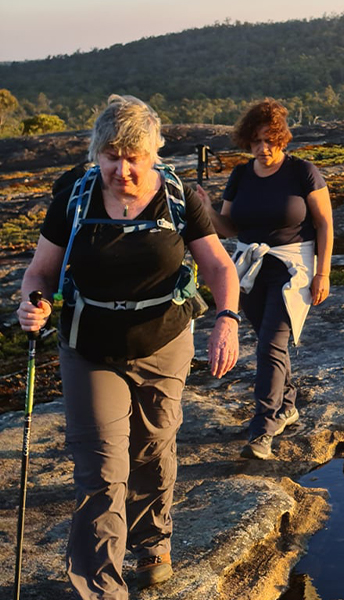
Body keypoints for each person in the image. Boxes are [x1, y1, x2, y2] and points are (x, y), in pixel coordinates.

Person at [16, 94, 240, 597]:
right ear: (96, 154)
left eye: (133, 156)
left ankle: (152, 542)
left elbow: (220, 268)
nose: (122, 169)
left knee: (155, 447)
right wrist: (33, 303)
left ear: (153, 152)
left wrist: (226, 319)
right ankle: (101, 587)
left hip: (164, 341)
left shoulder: (178, 197)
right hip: (90, 347)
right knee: (101, 469)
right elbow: (40, 272)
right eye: (110, 156)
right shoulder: (75, 193)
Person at [205, 99, 334, 460]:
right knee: (268, 341)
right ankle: (287, 405)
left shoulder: (302, 172)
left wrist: (323, 273)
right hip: (249, 268)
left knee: (270, 347)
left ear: (283, 139)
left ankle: (262, 430)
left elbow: (324, 223)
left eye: (270, 140)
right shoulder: (241, 176)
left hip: (292, 268)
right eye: (256, 141)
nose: (263, 149)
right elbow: (229, 227)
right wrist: (205, 209)